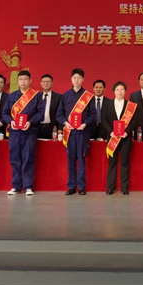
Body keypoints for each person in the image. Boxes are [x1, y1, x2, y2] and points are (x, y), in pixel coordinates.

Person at [2, 70, 44, 196]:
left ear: (30, 81)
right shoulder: (11, 96)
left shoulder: (36, 95)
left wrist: (30, 122)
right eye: (21, 79)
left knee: (28, 158)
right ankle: (16, 186)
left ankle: (28, 186)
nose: (23, 81)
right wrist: (11, 121)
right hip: (15, 132)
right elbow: (5, 113)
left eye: (25, 79)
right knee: (15, 158)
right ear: (18, 81)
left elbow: (40, 113)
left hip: (29, 131)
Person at [56, 68, 96, 196]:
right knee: (70, 161)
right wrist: (65, 123)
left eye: (79, 78)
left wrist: (85, 124)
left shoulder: (88, 96)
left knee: (82, 161)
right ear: (71, 79)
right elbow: (59, 114)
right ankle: (71, 186)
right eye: (74, 78)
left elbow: (93, 115)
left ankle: (82, 187)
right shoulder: (65, 96)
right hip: (70, 134)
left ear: (83, 79)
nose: (76, 80)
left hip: (83, 133)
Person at [101, 81, 139, 195]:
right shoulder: (107, 104)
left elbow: (134, 120)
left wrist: (127, 132)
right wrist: (111, 132)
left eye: (122, 89)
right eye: (117, 89)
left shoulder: (130, 106)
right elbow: (103, 119)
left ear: (125, 91)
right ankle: (110, 188)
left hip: (125, 138)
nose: (120, 92)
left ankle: (124, 188)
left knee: (124, 162)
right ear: (114, 91)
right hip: (112, 137)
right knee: (112, 163)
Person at [36, 74, 62, 140]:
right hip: (38, 128)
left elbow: (61, 113)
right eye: (44, 81)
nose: (46, 83)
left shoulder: (58, 97)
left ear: (52, 83)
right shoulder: (36, 97)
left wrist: (60, 128)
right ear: (41, 83)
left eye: (48, 81)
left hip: (53, 128)